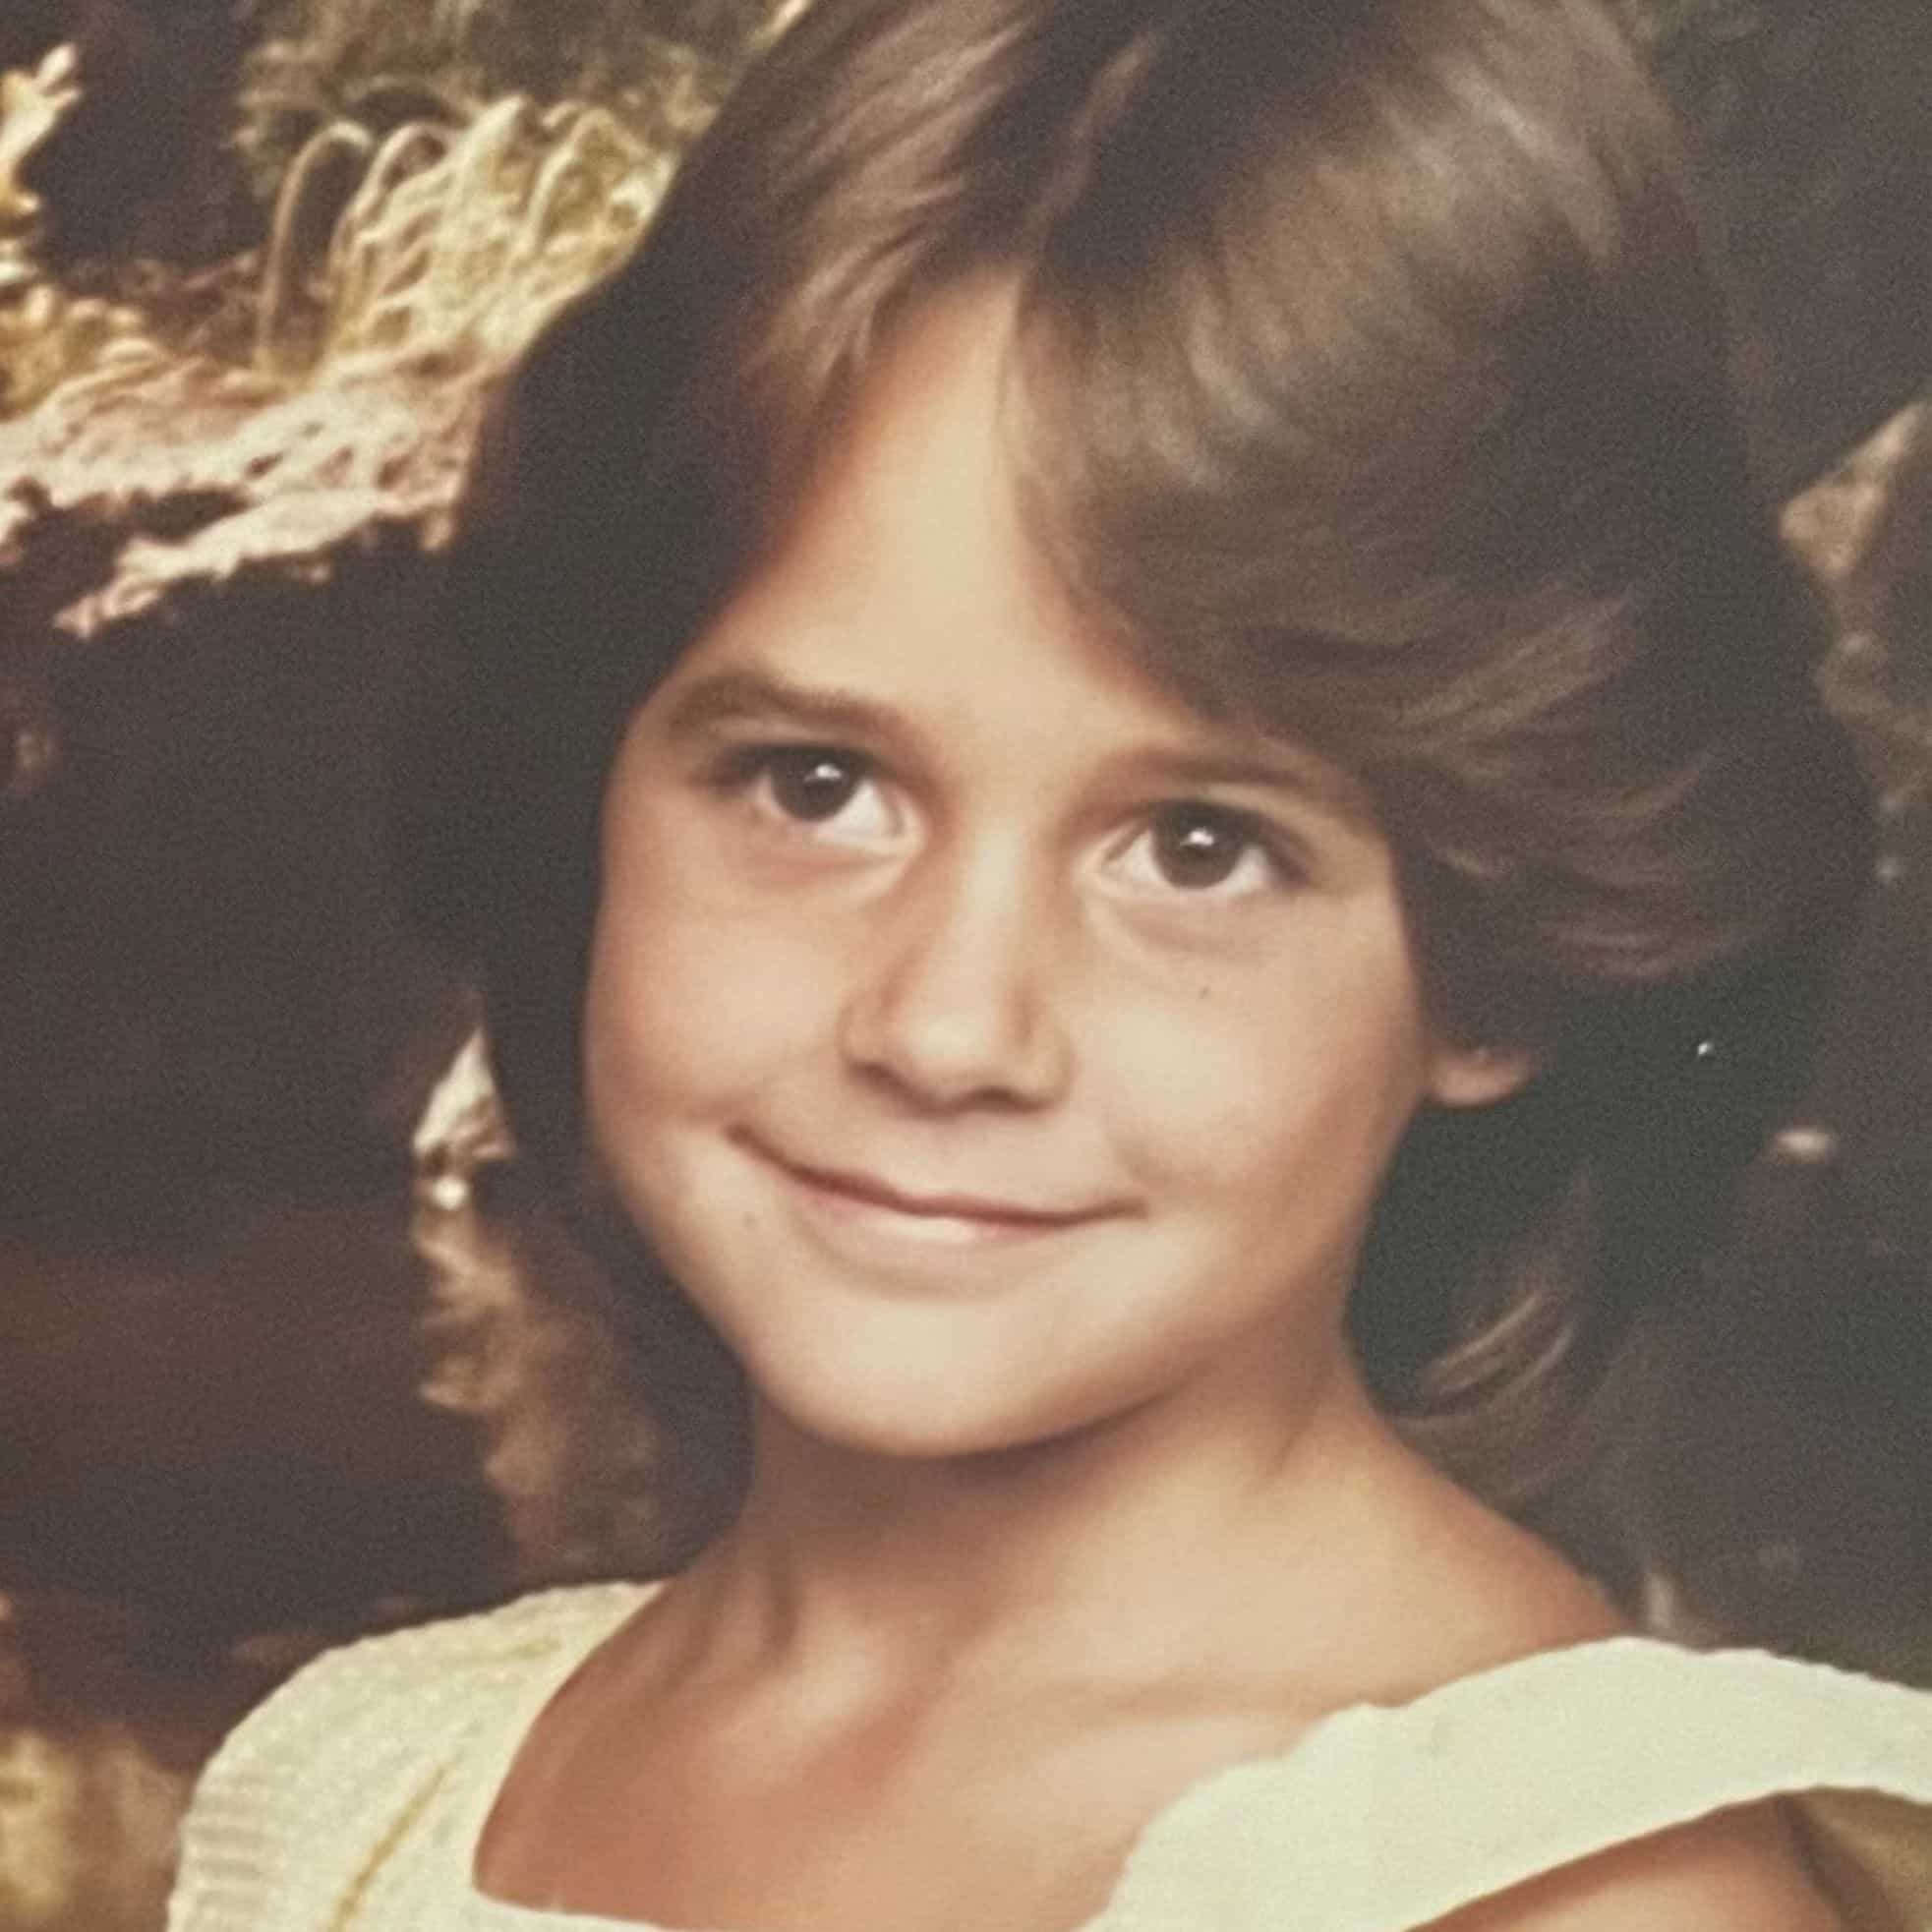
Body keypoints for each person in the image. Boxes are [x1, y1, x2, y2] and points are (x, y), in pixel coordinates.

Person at [167, 0, 1932, 1926]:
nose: (947, 1025)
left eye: (1197, 847)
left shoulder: (1558, 1891)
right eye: (816, 784)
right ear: (586, 790)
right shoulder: (359, 1789)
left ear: (1495, 958)